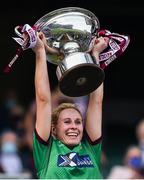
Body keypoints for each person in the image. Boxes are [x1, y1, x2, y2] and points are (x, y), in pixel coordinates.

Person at [30, 31, 109, 179]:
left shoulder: (90, 148)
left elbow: (96, 102)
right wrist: (40, 52)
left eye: (78, 122)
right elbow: (43, 100)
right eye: (67, 122)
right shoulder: (46, 151)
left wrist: (95, 55)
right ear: (53, 129)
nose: (74, 126)